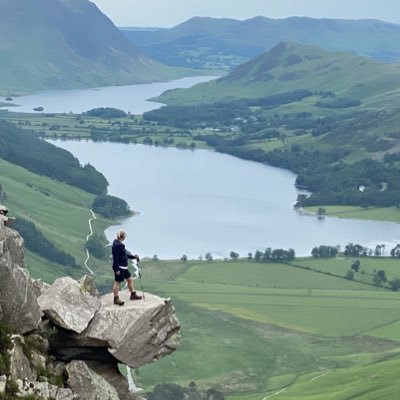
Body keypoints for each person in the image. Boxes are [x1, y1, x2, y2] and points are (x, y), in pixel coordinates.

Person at [112, 229, 142, 306]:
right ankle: (116, 299)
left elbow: (124, 255)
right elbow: (115, 258)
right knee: (117, 282)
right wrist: (116, 269)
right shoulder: (117, 246)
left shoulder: (119, 244)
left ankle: (133, 294)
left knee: (130, 279)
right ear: (123, 237)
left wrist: (134, 257)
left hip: (124, 267)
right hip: (120, 267)